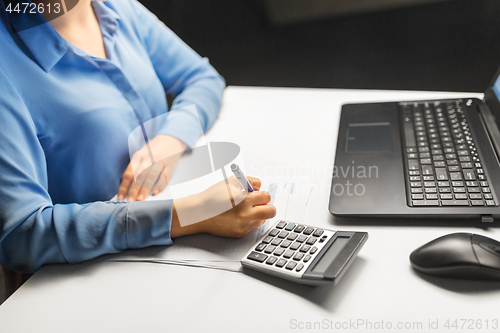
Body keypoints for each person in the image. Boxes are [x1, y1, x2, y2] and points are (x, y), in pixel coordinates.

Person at [0, 0, 276, 273]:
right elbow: (20, 234)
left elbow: (202, 78)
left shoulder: (115, 6)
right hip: (90, 267)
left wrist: (171, 138)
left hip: (169, 222)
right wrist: (187, 214)